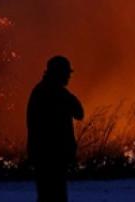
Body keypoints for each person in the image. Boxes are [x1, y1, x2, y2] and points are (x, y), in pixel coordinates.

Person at [27, 55, 84, 202]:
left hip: (44, 156)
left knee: (47, 195)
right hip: (53, 156)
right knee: (55, 196)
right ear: (59, 73)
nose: (68, 77)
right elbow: (79, 112)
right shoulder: (59, 94)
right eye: (66, 73)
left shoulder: (39, 92)